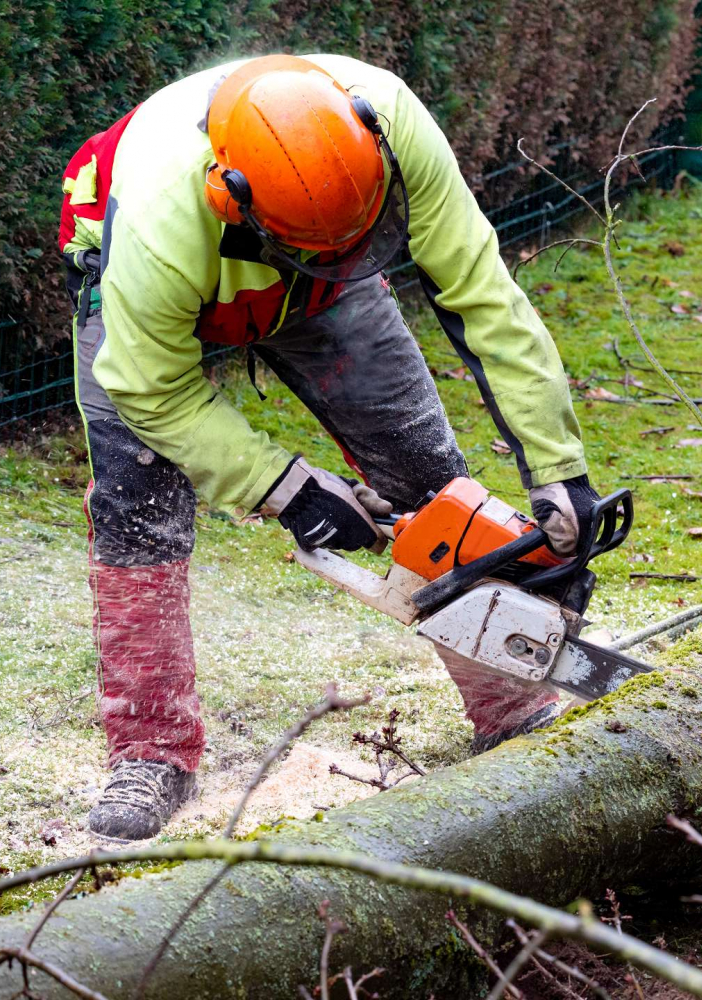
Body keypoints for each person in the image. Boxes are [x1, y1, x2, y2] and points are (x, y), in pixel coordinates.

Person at [59, 53, 598, 840]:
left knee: (424, 471)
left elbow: (482, 292)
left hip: (316, 279)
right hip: (146, 290)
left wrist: (558, 470)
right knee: (136, 511)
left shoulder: (389, 118)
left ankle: (511, 701)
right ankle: (150, 754)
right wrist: (283, 487)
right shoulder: (159, 219)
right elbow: (149, 385)